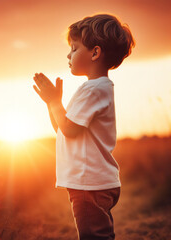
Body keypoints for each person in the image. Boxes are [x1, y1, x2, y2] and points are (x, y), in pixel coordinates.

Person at [33, 13, 135, 240]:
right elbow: (64, 130)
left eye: (74, 48)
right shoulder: (97, 88)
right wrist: (52, 105)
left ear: (95, 52)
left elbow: (68, 128)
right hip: (94, 182)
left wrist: (55, 102)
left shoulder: (93, 89)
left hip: (90, 184)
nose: (68, 54)